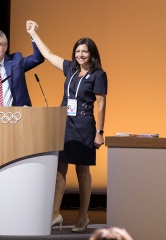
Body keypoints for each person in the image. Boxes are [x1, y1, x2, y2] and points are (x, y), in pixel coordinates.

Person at [26, 20, 107, 232]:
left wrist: (99, 132)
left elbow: (101, 103)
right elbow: (48, 54)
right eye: (78, 51)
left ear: (91, 54)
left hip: (84, 124)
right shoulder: (70, 69)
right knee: (60, 171)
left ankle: (83, 217)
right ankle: (54, 213)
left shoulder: (99, 75)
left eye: (85, 51)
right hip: (65, 122)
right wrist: (34, 33)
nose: (80, 54)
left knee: (82, 171)